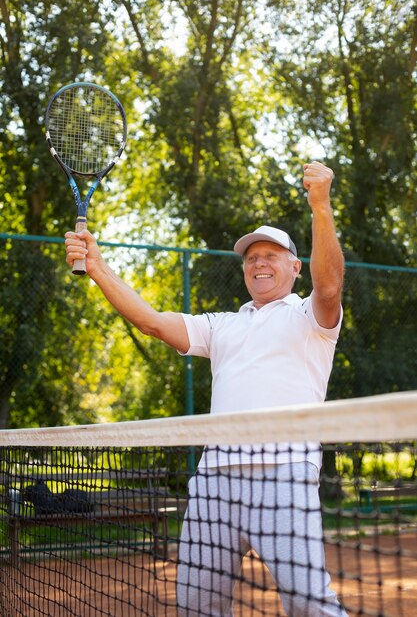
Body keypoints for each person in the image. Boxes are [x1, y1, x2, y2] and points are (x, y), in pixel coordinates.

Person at [65, 161, 347, 616]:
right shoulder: (222, 326)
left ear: (295, 267)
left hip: (285, 474)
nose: (258, 262)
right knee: (196, 606)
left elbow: (330, 285)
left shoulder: (310, 318)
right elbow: (153, 322)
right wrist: (96, 266)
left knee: (310, 606)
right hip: (214, 483)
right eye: (251, 256)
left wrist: (320, 206)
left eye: (270, 254)